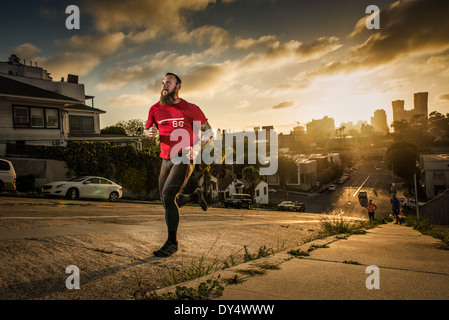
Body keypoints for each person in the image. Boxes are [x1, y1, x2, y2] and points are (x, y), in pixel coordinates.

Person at [144, 72, 213, 257]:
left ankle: (171, 243)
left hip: (185, 156)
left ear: (178, 86)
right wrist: (149, 134)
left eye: (169, 82)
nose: (164, 85)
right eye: (162, 83)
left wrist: (196, 149)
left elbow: (209, 133)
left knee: (168, 196)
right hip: (166, 159)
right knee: (166, 200)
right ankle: (194, 196)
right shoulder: (154, 109)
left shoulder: (190, 108)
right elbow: (149, 130)